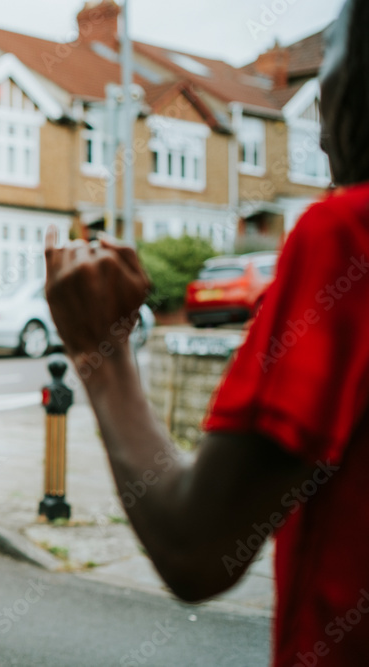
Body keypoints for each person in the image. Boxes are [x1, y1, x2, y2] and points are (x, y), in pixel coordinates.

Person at [42, 2, 368, 665]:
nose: (323, 88)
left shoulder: (346, 238)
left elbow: (197, 546)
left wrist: (100, 350)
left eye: (334, 48)